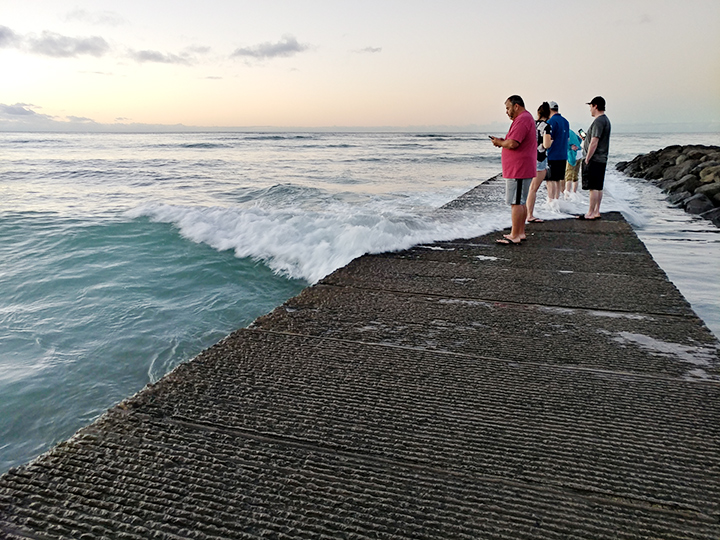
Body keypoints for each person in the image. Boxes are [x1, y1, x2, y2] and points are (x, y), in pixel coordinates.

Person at [490, 95, 536, 244]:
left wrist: (499, 143)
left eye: (508, 108)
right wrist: (502, 142)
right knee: (520, 201)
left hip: (519, 169)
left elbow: (513, 143)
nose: (506, 111)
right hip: (521, 168)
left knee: (516, 202)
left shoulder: (523, 119)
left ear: (516, 106)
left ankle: (515, 235)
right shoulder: (525, 118)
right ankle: (520, 232)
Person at [578, 96, 611, 220]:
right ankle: (596, 211)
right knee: (598, 186)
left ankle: (590, 212)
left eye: (591, 106)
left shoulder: (598, 121)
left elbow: (594, 141)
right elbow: (593, 139)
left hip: (595, 158)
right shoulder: (605, 120)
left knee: (593, 187)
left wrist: (587, 158)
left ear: (595, 106)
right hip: (602, 158)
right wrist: (586, 138)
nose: (590, 109)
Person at [525, 102, 553, 223]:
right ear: (548, 114)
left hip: (529, 158)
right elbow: (546, 145)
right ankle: (529, 215)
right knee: (533, 189)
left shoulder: (532, 124)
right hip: (540, 158)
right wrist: (552, 141)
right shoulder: (546, 126)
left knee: (528, 188)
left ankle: (525, 213)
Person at [545, 101, 570, 202]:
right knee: (558, 179)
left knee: (550, 180)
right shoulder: (566, 121)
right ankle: (557, 201)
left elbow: (549, 139)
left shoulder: (551, 122)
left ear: (549, 110)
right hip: (563, 155)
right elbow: (567, 139)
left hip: (552, 154)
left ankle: (551, 202)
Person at [563, 128, 584, 198]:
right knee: (575, 175)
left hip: (572, 155)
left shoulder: (564, 133)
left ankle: (567, 195)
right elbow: (580, 140)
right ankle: (574, 193)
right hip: (579, 154)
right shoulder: (571, 131)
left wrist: (570, 147)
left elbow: (564, 143)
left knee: (568, 175)